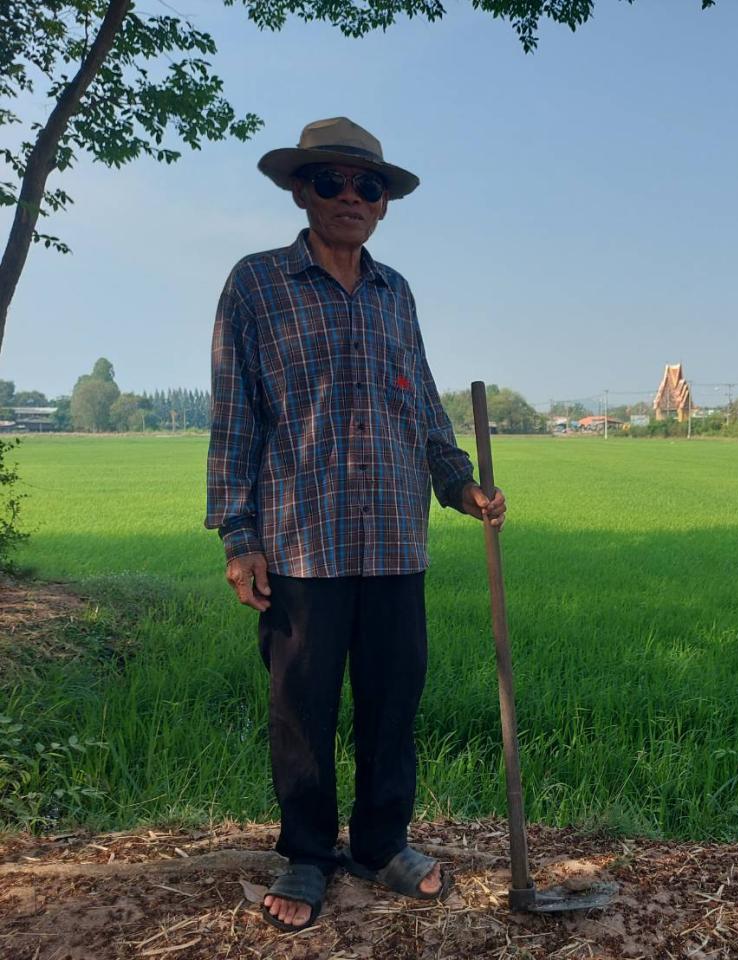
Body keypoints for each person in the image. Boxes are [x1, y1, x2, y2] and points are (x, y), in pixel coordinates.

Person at [205, 117, 506, 932]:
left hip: (393, 541)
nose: (349, 196)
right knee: (300, 709)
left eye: (366, 185)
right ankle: (307, 853)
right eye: (330, 182)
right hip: (301, 541)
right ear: (300, 191)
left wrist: (461, 487)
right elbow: (236, 420)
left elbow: (423, 409)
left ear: (383, 205)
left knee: (392, 701)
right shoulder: (257, 283)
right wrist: (238, 537)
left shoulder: (394, 293)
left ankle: (380, 844)